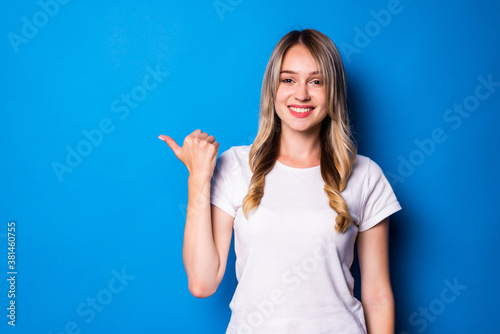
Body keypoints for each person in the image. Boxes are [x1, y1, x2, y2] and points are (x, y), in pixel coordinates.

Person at [159, 28, 402, 334]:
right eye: (288, 80)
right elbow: (202, 282)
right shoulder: (234, 166)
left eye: (316, 81)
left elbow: (378, 296)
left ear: (334, 91)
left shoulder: (366, 176)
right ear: (272, 88)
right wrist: (198, 179)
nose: (301, 94)